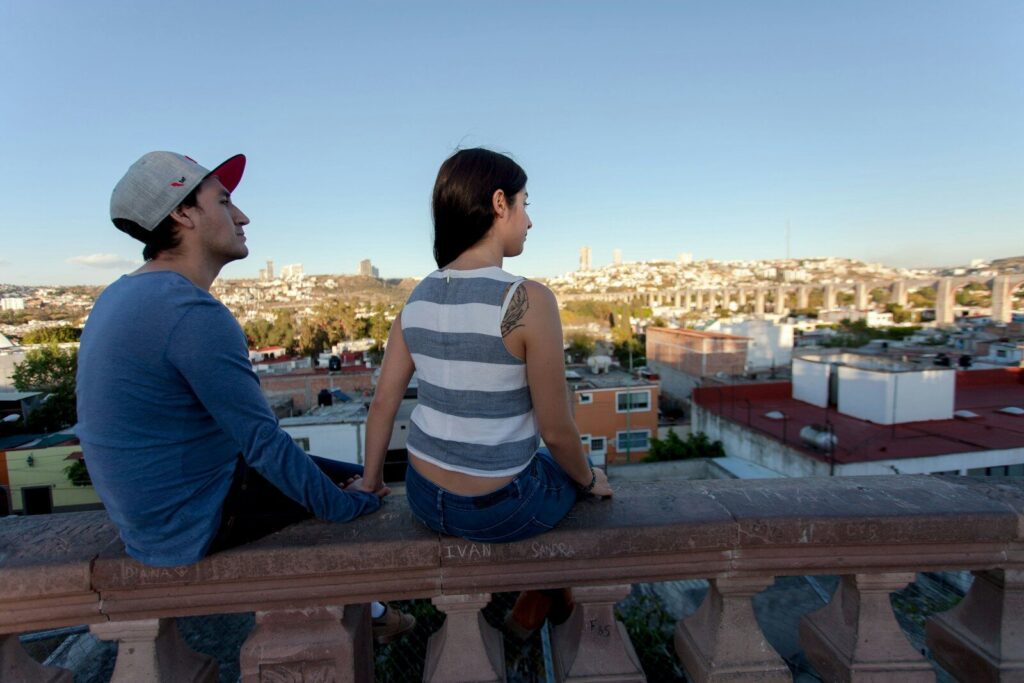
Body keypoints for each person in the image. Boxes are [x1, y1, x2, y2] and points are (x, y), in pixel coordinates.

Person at [76, 151, 413, 643]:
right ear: (183, 214)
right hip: (193, 520)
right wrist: (347, 509)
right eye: (225, 200)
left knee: (354, 479)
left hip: (150, 516)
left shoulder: (121, 295)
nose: (242, 216)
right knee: (363, 498)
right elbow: (263, 443)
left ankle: (378, 612)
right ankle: (382, 618)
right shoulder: (190, 312)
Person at [356, 148, 613, 634]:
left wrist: (371, 482)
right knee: (568, 470)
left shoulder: (416, 298)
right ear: (499, 203)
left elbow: (383, 404)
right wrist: (589, 480)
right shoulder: (528, 299)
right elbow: (557, 431)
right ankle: (543, 595)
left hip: (422, 495)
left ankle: (541, 599)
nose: (530, 221)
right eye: (525, 204)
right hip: (498, 509)